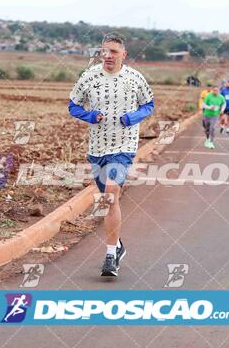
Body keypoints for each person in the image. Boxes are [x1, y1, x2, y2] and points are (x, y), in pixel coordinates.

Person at [68, 33, 154, 277]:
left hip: (124, 146)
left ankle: (109, 257)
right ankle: (117, 246)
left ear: (123, 55)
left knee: (111, 192)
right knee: (107, 200)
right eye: (104, 51)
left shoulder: (135, 78)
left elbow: (148, 104)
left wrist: (132, 118)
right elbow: (73, 104)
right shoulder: (89, 76)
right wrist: (89, 116)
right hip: (97, 149)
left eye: (113, 51)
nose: (107, 55)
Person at [202, 85, 226, 149]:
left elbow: (224, 103)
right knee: (207, 128)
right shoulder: (208, 96)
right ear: (212, 90)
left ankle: (211, 142)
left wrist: (222, 110)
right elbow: (203, 105)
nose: (216, 91)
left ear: (219, 91)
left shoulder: (221, 97)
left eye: (217, 90)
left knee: (212, 128)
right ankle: (207, 139)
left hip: (215, 115)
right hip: (207, 114)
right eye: (214, 90)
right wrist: (209, 107)